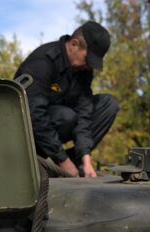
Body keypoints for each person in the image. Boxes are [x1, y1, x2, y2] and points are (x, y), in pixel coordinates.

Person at [14, 21, 118, 177]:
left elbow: (84, 111)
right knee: (67, 116)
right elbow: (34, 115)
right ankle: (53, 164)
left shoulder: (83, 69)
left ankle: (74, 165)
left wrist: (86, 158)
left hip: (59, 127)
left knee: (108, 104)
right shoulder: (42, 62)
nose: (89, 66)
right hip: (26, 135)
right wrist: (63, 160)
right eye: (87, 59)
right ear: (74, 44)